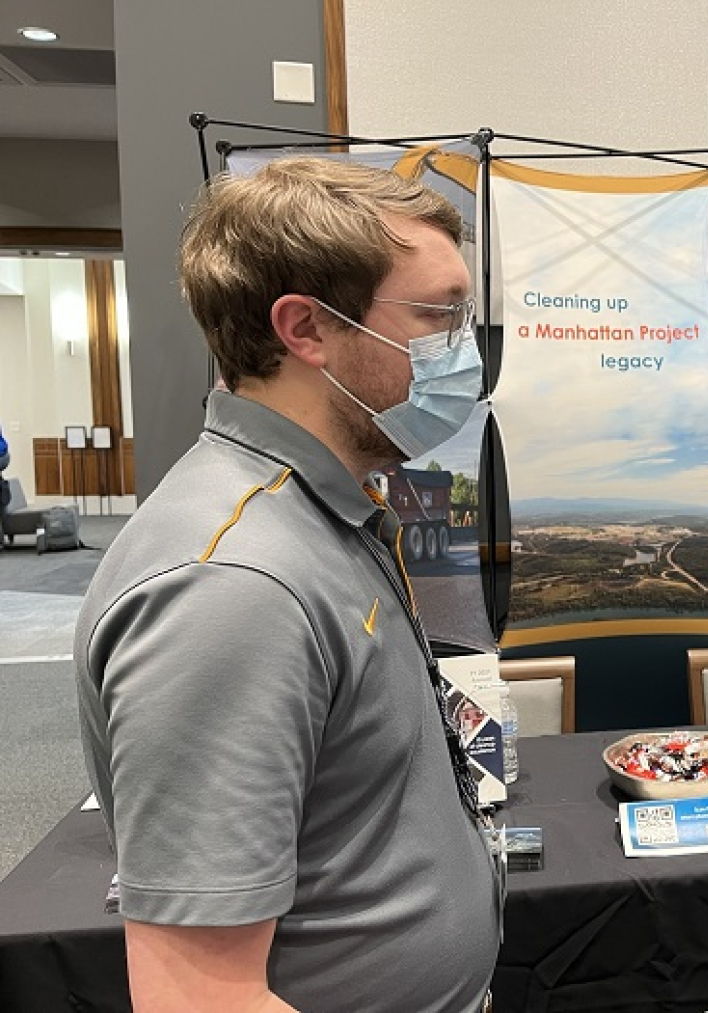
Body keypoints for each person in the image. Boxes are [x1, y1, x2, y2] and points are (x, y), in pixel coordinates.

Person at [74, 157, 500, 1013]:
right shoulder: (234, 585)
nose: (466, 351)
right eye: (439, 317)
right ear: (306, 328)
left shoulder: (319, 512)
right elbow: (199, 999)